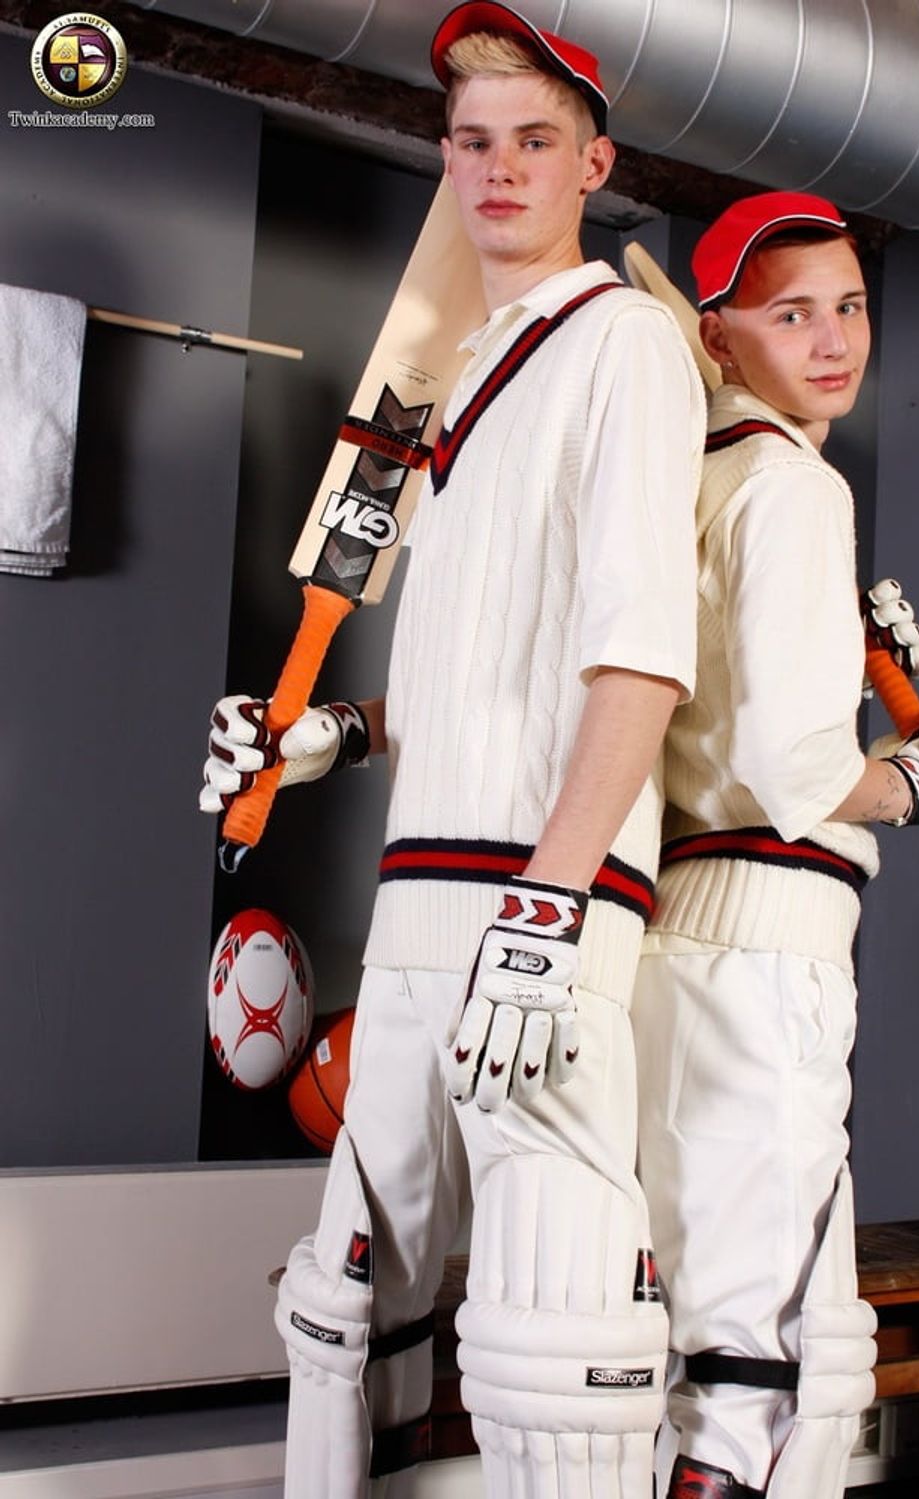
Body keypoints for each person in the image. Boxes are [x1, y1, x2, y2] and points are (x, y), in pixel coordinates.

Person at [201, 5, 706, 1495]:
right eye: (473, 141)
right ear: (447, 157)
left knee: (559, 1368)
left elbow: (639, 658)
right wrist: (323, 739)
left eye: (534, 142)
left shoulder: (626, 346)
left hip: (542, 908)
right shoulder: (459, 383)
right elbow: (470, 675)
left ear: (591, 164)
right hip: (414, 910)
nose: (498, 169)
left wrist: (552, 904)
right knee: (340, 1320)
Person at [630, 191, 919, 1499]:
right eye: (792, 313)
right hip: (769, 958)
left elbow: (715, 719)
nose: (836, 339)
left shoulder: (699, 479)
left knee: (694, 1360)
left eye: (849, 305)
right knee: (758, 1389)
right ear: (720, 338)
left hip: (676, 955)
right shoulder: (794, 488)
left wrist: (844, 659)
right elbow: (797, 777)